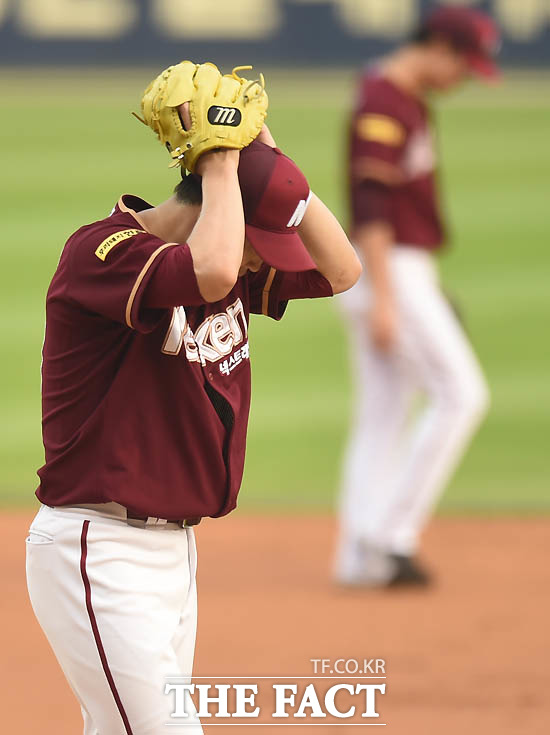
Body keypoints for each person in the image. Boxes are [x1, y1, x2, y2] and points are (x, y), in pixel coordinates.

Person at [25, 61, 361, 734]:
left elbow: (341, 269)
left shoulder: (230, 266)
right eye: (257, 246)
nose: (262, 262)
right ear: (215, 210)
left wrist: (268, 156)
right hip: (100, 551)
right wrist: (218, 158)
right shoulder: (103, 251)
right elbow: (209, 268)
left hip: (175, 558)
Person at [335, 7, 500, 587]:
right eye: (464, 64)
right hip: (389, 268)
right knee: (461, 394)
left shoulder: (394, 94)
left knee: (383, 413)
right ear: (437, 46)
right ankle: (389, 537)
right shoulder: (384, 101)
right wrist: (386, 298)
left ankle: (358, 557)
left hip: (393, 270)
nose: (463, 78)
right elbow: (374, 207)